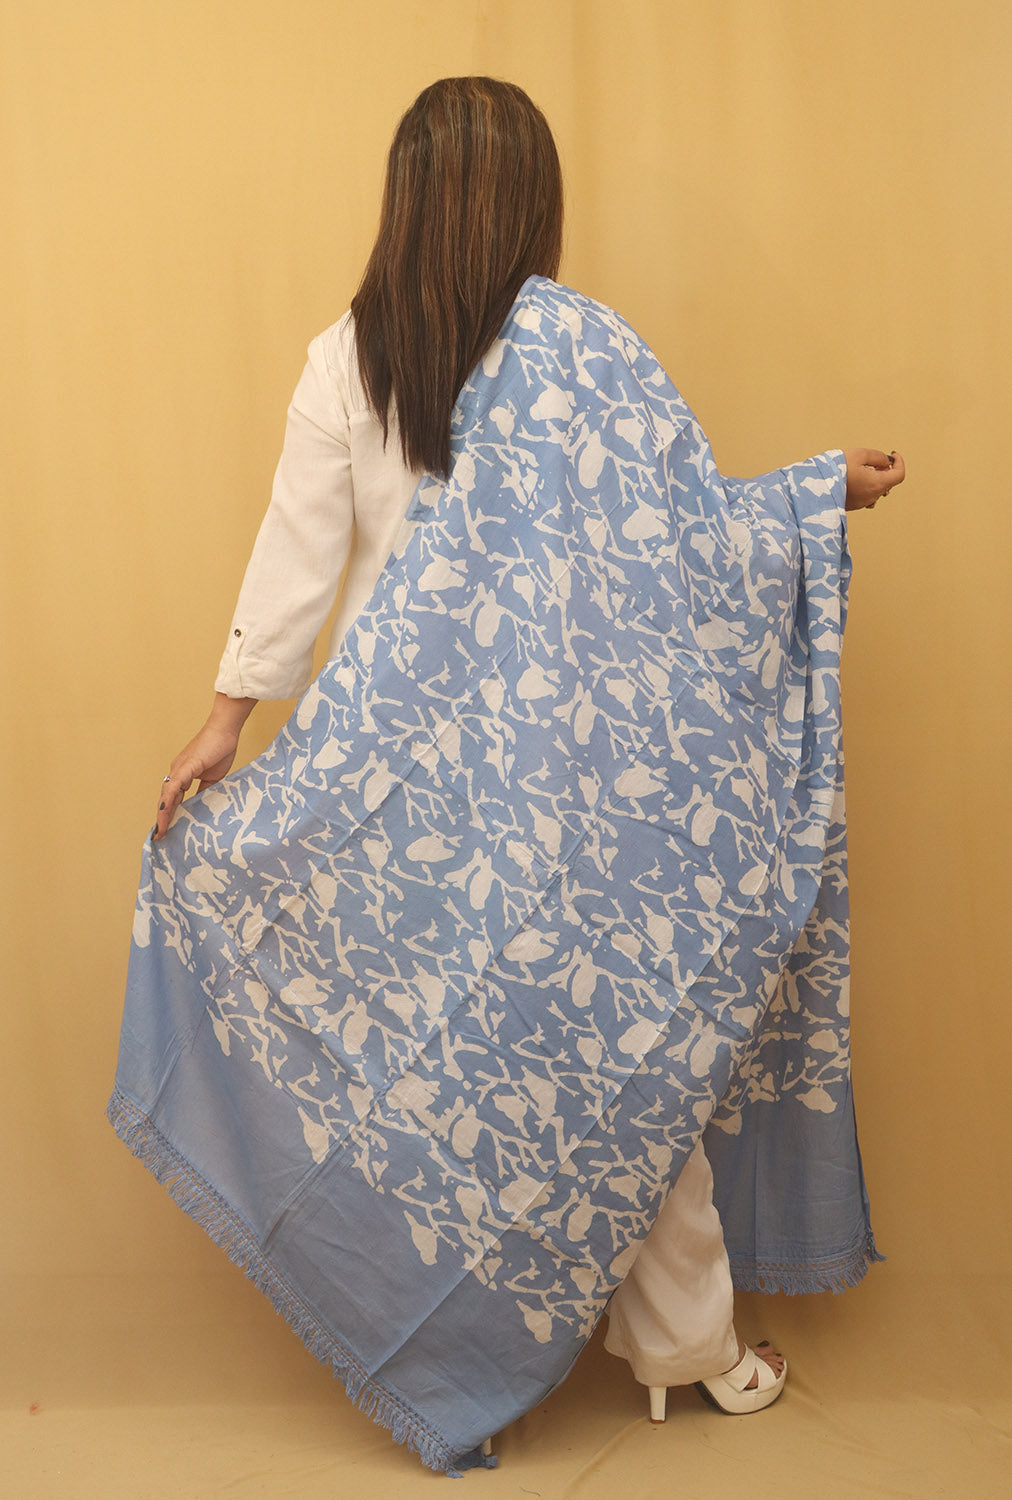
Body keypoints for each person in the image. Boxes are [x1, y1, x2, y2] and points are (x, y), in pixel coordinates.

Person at [132, 76, 903, 1463]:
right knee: (626, 1069)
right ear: (531, 204)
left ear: (406, 201)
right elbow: (680, 544)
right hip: (568, 799)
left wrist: (227, 722)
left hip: (400, 804)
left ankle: (476, 1349)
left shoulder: (346, 358)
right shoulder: (580, 349)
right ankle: (680, 1346)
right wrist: (802, 498)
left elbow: (297, 562)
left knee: (422, 1086)